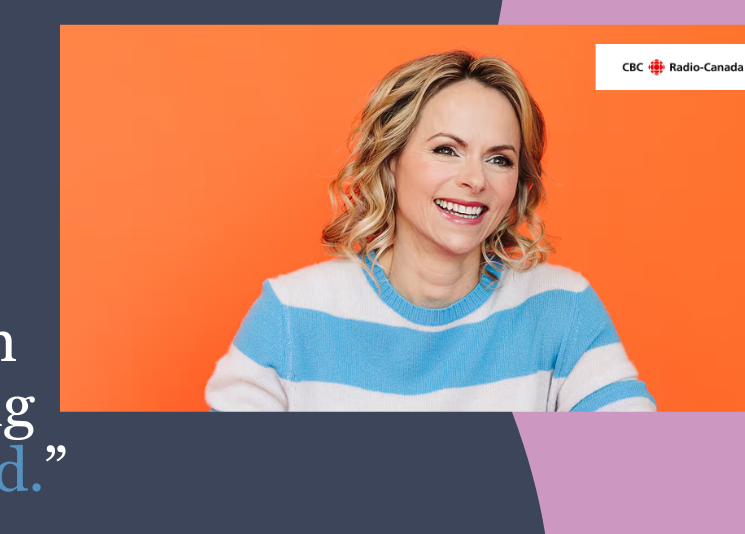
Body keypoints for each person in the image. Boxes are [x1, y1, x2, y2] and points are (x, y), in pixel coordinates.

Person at [204, 50, 656, 412]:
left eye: (499, 159)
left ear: (517, 184)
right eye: (446, 150)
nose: (475, 179)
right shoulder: (291, 313)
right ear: (391, 162)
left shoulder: (562, 308)